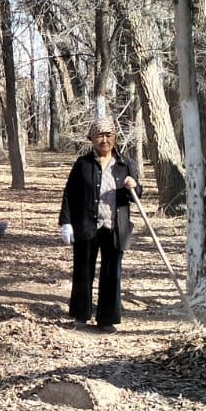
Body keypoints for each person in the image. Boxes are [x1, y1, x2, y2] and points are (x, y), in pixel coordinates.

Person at [58, 120, 141, 333]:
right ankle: (81, 314)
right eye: (99, 136)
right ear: (92, 140)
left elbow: (136, 194)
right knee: (83, 270)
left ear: (115, 138)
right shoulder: (83, 164)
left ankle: (107, 319)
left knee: (112, 273)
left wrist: (134, 185)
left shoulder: (125, 164)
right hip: (87, 224)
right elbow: (69, 194)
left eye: (108, 135)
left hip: (115, 226)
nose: (104, 140)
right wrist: (66, 222)